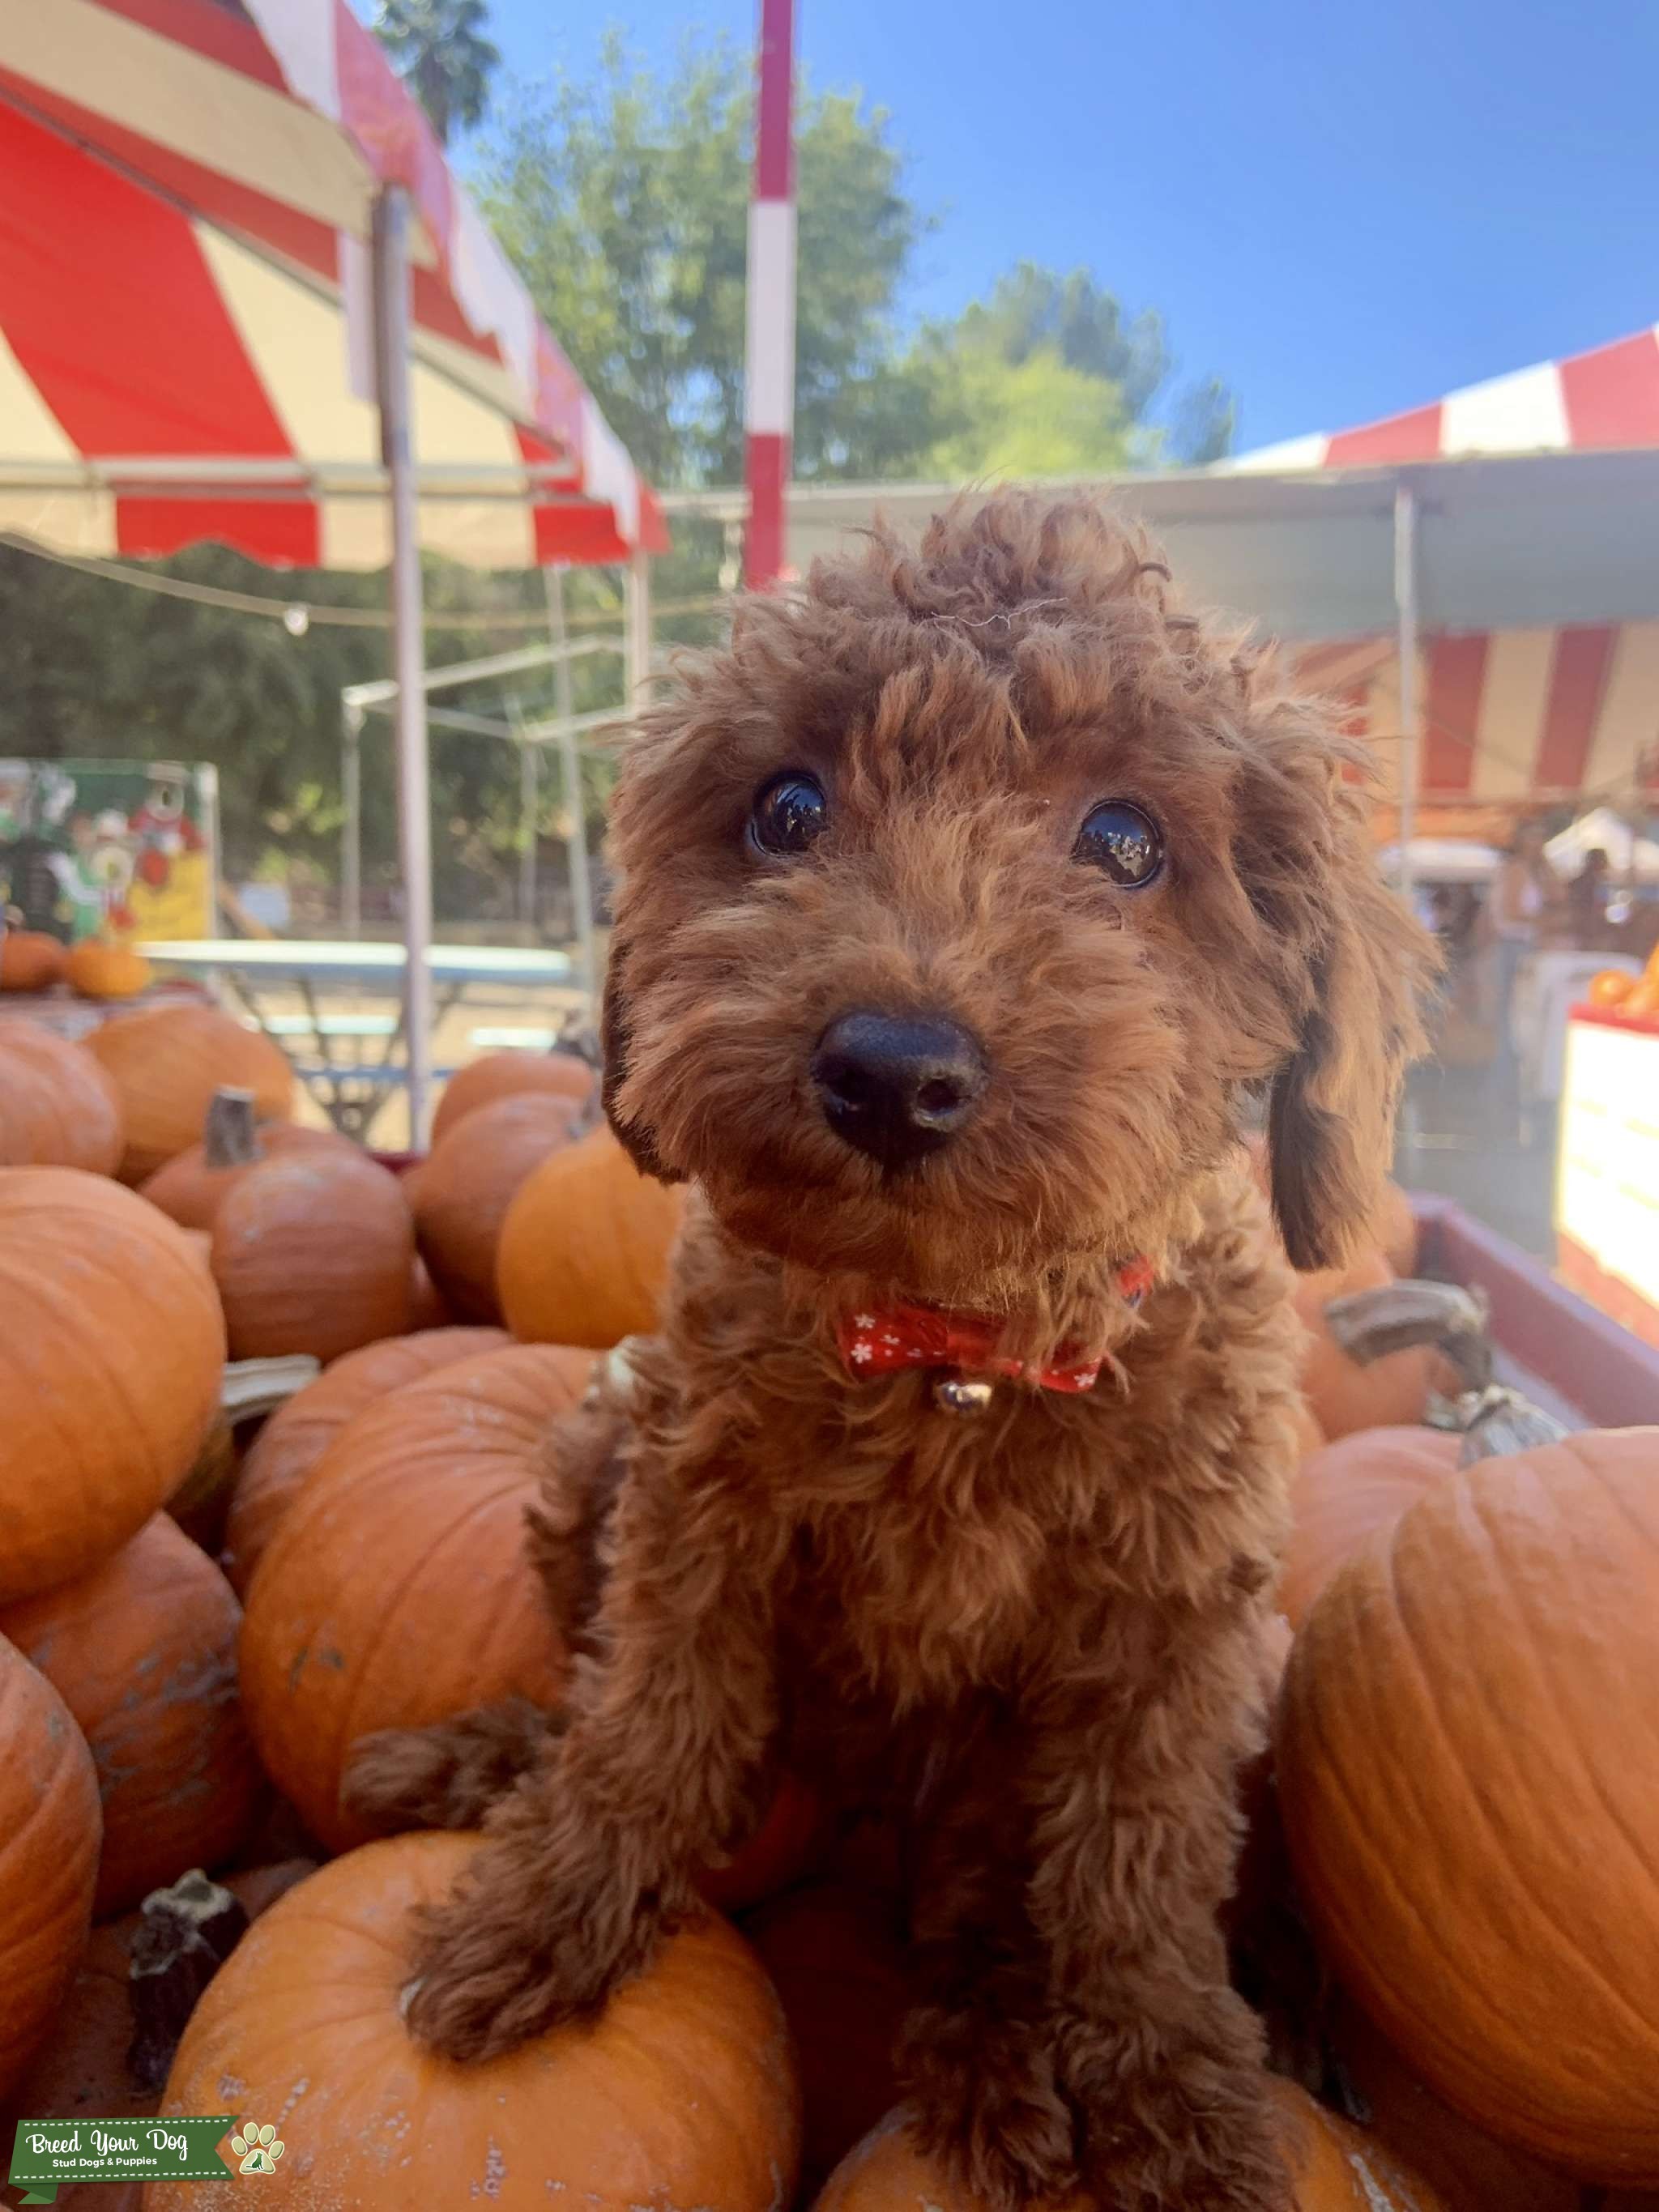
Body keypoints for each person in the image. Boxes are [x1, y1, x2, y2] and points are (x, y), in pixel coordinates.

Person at [1486, 820, 1559, 1097]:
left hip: (1526, 945)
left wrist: (1544, 865)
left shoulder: (1533, 870)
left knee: (1524, 1015)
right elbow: (1512, 912)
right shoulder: (1515, 870)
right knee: (1513, 1016)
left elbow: (1558, 894)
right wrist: (1544, 920)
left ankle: (1516, 1081)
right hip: (1513, 947)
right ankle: (1506, 1084)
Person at [1566, 846, 1611, 949]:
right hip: (1584, 929)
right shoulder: (1589, 882)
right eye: (1603, 860)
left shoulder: (1598, 882)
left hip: (1587, 927)